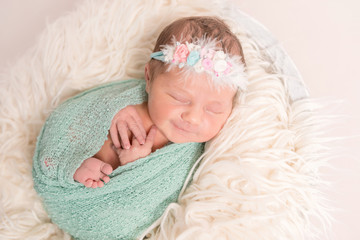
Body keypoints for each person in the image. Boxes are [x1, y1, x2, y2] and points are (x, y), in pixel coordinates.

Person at [73, 16, 247, 188]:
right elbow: (69, 124)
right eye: (180, 98)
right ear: (149, 78)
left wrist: (137, 168)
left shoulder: (201, 157)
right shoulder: (124, 104)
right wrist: (75, 165)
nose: (193, 118)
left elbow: (162, 199)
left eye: (213, 109)